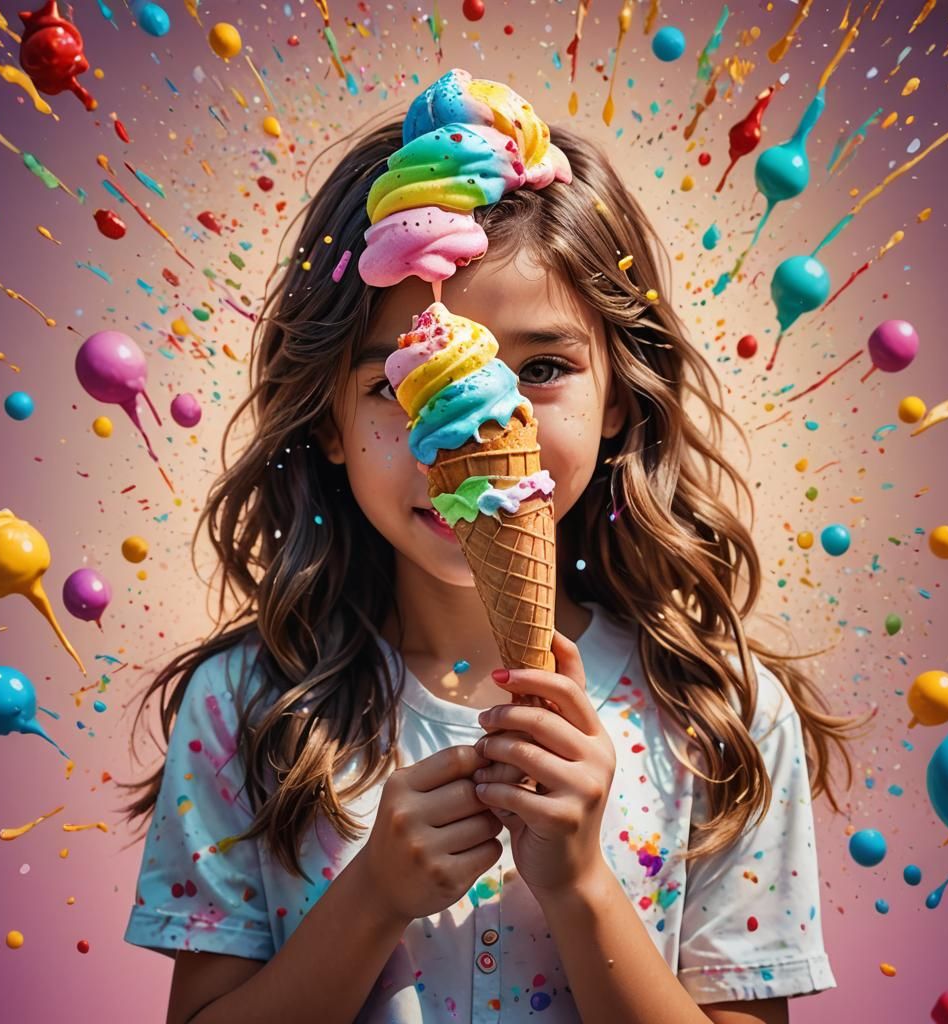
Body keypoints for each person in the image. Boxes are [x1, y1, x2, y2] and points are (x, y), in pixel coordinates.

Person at [118, 94, 873, 1024]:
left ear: (619, 399)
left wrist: (583, 884)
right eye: (405, 378)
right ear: (327, 419)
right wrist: (373, 896)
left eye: (542, 369)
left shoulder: (720, 713)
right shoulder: (245, 707)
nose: (467, 433)